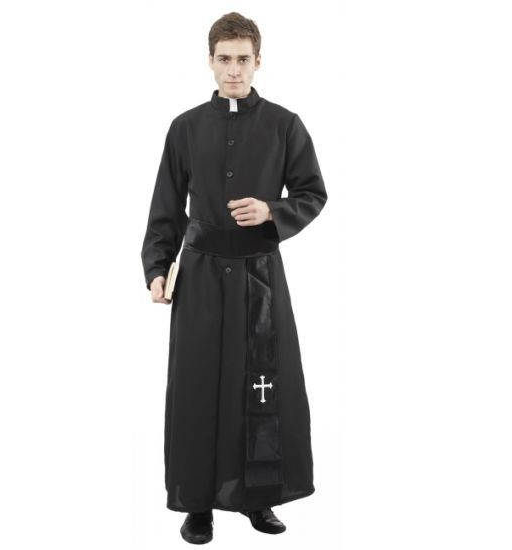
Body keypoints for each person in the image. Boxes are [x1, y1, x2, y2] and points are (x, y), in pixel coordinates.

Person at [140, 11, 327, 545]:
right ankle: (197, 504)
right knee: (197, 388)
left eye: (243, 59)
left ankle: (257, 498)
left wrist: (272, 211)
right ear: (210, 61)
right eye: (224, 59)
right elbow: (166, 207)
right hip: (199, 278)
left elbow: (313, 193)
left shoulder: (285, 125)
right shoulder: (185, 127)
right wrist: (157, 268)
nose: (234, 70)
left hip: (259, 276)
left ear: (258, 61)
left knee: (260, 386)